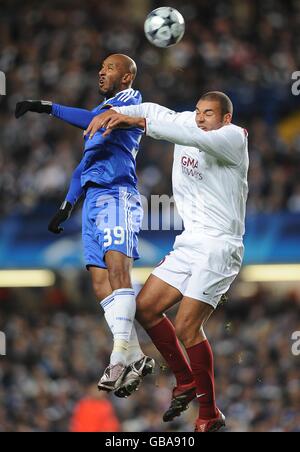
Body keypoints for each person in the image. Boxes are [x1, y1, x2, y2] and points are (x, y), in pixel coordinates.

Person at [84, 92, 249, 432]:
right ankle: (185, 381)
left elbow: (182, 134)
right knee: (145, 307)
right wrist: (116, 111)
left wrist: (138, 122)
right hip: (190, 240)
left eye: (210, 114)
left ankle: (208, 414)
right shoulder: (187, 121)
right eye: (199, 112)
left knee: (188, 326)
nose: (201, 119)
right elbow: (149, 109)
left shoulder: (233, 138)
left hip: (220, 244)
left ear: (226, 119)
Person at [15, 54, 154, 396]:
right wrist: (66, 205)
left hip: (116, 194)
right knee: (98, 283)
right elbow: (83, 166)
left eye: (110, 67)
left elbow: (97, 119)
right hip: (92, 200)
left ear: (127, 77)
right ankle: (135, 355)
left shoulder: (129, 103)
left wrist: (47, 107)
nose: (101, 71)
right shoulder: (101, 115)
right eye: (101, 67)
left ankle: (119, 354)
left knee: (118, 270)